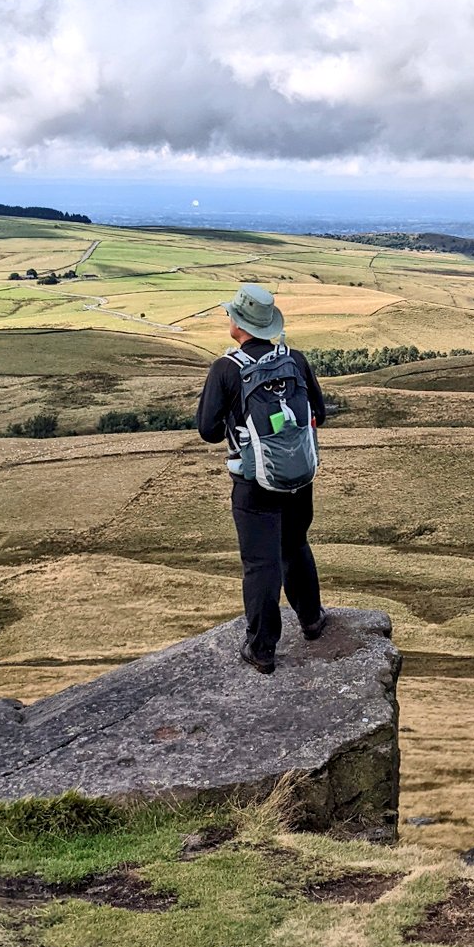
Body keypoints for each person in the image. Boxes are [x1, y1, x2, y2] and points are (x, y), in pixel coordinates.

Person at [196, 283, 327, 675]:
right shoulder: (296, 360)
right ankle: (312, 620)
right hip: (299, 476)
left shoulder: (226, 369)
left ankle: (262, 649)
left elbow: (208, 430)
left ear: (239, 323)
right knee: (294, 545)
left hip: (253, 483)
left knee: (260, 563)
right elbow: (320, 411)